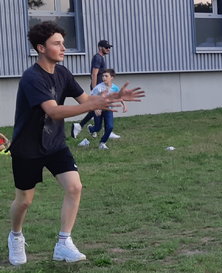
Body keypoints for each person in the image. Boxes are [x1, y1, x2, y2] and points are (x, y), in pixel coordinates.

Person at [7, 21, 144, 265]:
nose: (63, 48)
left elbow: (86, 98)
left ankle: (63, 243)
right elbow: (54, 111)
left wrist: (110, 97)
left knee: (74, 187)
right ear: (41, 48)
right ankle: (15, 236)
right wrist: (90, 105)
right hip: (27, 147)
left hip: (55, 143)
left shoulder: (63, 73)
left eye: (63, 43)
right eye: (57, 44)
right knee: (25, 200)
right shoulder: (31, 78)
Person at [71, 39, 120, 139]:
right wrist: (94, 90)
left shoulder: (100, 58)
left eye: (109, 47)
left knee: (100, 109)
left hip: (102, 89)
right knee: (98, 109)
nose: (108, 49)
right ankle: (83, 126)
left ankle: (91, 128)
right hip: (98, 90)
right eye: (107, 47)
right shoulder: (98, 58)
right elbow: (94, 74)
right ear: (100, 48)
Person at [87, 69, 127, 149]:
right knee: (97, 128)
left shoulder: (115, 88)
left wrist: (125, 105)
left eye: (106, 76)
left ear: (112, 77)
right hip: (98, 109)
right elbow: (91, 99)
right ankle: (91, 128)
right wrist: (95, 109)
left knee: (110, 127)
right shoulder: (98, 88)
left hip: (108, 109)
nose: (104, 78)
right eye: (103, 76)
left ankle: (102, 143)